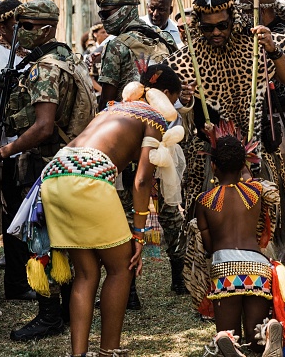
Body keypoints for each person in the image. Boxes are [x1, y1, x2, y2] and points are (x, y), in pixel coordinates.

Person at [164, 0, 285, 316]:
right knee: (211, 224)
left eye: (222, 26)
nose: (216, 33)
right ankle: (212, 289)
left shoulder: (256, 46)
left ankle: (269, 282)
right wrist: (187, 102)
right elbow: (176, 112)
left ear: (233, 19)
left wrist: (272, 48)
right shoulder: (185, 59)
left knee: (262, 220)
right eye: (208, 29)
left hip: (255, 149)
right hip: (210, 157)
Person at [39, 64, 181, 356]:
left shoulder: (111, 109)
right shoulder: (154, 117)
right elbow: (141, 182)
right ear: (165, 96)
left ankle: (78, 354)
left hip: (54, 174)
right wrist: (139, 235)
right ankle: (109, 351)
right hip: (87, 180)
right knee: (121, 267)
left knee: (86, 273)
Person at [0, 0, 84, 341]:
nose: (20, 32)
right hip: (65, 162)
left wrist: (4, 151)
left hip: (45, 163)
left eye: (27, 26)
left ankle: (49, 316)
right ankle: (63, 311)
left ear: (46, 28)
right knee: (62, 239)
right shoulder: (66, 57)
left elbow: (44, 126)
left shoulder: (45, 67)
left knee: (42, 240)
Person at [96, 0, 178, 307]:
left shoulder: (115, 46)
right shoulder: (165, 40)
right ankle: (179, 278)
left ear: (128, 9)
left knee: (127, 210)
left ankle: (129, 289)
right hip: (166, 134)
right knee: (171, 205)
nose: (104, 20)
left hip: (129, 140)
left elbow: (107, 101)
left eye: (108, 13)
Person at [196, 124, 283, 357]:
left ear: (213, 166)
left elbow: (208, 244)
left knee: (228, 333)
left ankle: (228, 342)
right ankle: (266, 336)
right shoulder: (254, 192)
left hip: (225, 268)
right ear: (244, 164)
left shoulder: (204, 200)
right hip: (257, 267)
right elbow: (249, 180)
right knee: (254, 338)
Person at [239, 0, 285, 283]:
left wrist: (273, 49)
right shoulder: (233, 38)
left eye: (250, 9)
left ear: (266, 9)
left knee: (283, 197)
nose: (245, 15)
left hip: (277, 126)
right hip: (240, 132)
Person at [0, 0, 34, 296]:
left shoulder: (27, 56)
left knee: (23, 213)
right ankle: (17, 282)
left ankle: (22, 277)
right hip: (6, 147)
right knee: (13, 214)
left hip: (23, 145)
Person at [97, 0, 177, 110]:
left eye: (105, 13)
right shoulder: (164, 36)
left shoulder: (115, 46)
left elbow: (107, 102)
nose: (102, 19)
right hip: (167, 119)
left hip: (131, 121)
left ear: (124, 11)